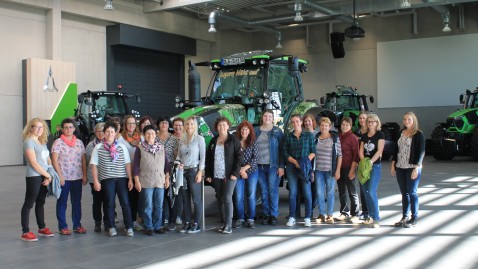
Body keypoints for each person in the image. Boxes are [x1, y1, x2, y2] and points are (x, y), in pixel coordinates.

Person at [90, 121, 134, 237]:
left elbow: (127, 164)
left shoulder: (121, 147)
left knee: (125, 202)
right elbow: (94, 165)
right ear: (104, 133)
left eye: (112, 131)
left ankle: (128, 226)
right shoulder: (98, 148)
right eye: (108, 131)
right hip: (107, 179)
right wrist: (95, 181)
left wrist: (130, 179)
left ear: (116, 133)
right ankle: (111, 226)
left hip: (121, 179)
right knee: (109, 203)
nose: (110, 134)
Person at [206, 117, 242, 234]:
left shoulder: (233, 140)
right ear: (217, 127)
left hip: (230, 175)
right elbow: (209, 159)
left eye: (224, 125)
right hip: (217, 174)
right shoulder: (213, 140)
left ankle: (229, 224)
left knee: (227, 197)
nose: (222, 127)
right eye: (219, 125)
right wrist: (208, 174)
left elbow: (239, 157)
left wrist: (235, 173)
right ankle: (223, 223)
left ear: (228, 126)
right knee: (220, 198)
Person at [20, 118, 55, 241]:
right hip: (34, 176)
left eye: (42, 127)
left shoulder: (42, 142)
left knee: (40, 202)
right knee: (29, 203)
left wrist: (49, 173)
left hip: (44, 175)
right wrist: (47, 175)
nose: (40, 130)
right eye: (37, 127)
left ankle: (42, 228)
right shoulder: (29, 142)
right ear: (31, 128)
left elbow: (48, 159)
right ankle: (25, 232)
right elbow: (34, 163)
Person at [51, 118, 87, 235]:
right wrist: (60, 176)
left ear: (74, 128)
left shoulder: (79, 143)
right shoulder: (58, 143)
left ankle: (77, 225)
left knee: (76, 202)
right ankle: (63, 226)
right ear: (62, 129)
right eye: (66, 127)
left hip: (77, 177)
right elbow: (54, 160)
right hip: (64, 178)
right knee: (62, 202)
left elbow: (83, 160)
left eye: (71, 127)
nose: (68, 129)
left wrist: (85, 175)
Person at [133, 125, 170, 235]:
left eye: (153, 133)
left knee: (159, 205)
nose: (150, 136)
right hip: (146, 181)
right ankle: (149, 227)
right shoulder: (139, 148)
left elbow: (166, 165)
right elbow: (135, 166)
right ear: (144, 135)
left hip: (160, 180)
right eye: (148, 133)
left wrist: (167, 178)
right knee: (147, 206)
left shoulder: (161, 148)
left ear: (156, 135)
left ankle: (157, 226)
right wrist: (136, 181)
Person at [391, 112, 425, 228]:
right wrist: (393, 164)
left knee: (412, 192)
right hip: (400, 166)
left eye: (409, 120)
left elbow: (421, 152)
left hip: (412, 167)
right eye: (405, 119)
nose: (406, 122)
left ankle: (414, 217)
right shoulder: (401, 133)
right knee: (404, 193)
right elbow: (396, 149)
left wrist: (417, 167)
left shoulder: (418, 134)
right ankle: (405, 216)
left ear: (414, 120)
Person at [284, 114, 315, 227]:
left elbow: (313, 151)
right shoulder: (288, 136)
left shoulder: (308, 136)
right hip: (292, 167)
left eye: (297, 121)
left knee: (307, 192)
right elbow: (285, 153)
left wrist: (304, 162)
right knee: (293, 193)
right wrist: (296, 162)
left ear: (301, 122)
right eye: (293, 122)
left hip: (305, 167)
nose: (295, 124)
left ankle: (307, 217)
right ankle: (292, 216)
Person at [254, 110, 284, 226]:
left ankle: (273, 215)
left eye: (269, 116)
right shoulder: (256, 131)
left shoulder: (277, 131)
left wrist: (281, 166)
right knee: (264, 191)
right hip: (259, 166)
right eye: (265, 116)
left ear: (273, 118)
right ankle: (266, 214)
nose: (267, 118)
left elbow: (282, 150)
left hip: (273, 166)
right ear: (262, 117)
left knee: (273, 191)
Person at [176, 117, 206, 233]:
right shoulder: (182, 139)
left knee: (196, 199)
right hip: (183, 172)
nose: (189, 126)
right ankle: (187, 222)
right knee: (185, 199)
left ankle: (196, 224)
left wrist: (200, 171)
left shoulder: (200, 139)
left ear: (195, 125)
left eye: (192, 124)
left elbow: (203, 157)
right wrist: (178, 163)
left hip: (194, 171)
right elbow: (179, 155)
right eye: (187, 124)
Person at [314, 117, 342, 224]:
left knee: (330, 192)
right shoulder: (316, 138)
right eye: (322, 125)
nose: (324, 127)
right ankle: (322, 214)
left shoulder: (334, 139)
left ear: (329, 127)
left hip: (330, 170)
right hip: (318, 170)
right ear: (319, 126)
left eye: (326, 125)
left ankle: (330, 215)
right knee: (320, 193)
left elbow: (340, 155)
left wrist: (338, 170)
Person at [359, 113, 385, 228]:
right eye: (369, 122)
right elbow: (360, 150)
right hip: (364, 166)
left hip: (375, 166)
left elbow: (380, 151)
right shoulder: (364, 135)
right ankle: (369, 216)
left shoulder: (380, 134)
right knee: (365, 192)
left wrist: (370, 162)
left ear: (376, 123)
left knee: (371, 191)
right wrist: (364, 162)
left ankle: (376, 218)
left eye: (373, 122)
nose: (370, 124)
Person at [118, 115, 142, 230]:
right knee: (126, 199)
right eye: (129, 123)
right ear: (125, 125)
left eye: (133, 123)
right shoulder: (120, 139)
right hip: (125, 173)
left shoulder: (140, 138)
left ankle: (134, 221)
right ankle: (128, 222)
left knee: (136, 199)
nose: (131, 125)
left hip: (137, 173)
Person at [233, 120, 258, 229]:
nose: (244, 131)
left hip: (252, 171)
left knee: (251, 196)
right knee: (238, 197)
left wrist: (245, 169)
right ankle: (240, 218)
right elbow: (232, 158)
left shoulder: (253, 142)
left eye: (246, 129)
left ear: (249, 131)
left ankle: (250, 219)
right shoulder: (235, 142)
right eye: (242, 129)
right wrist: (240, 171)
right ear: (239, 131)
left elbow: (255, 158)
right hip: (238, 171)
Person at [156, 116, 178, 229]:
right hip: (157, 170)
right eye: (162, 123)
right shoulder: (154, 137)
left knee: (170, 196)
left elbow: (175, 155)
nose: (164, 125)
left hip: (170, 169)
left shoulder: (173, 139)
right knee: (159, 195)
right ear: (158, 124)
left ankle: (172, 220)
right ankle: (160, 220)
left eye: (166, 123)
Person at [336, 117, 360, 222]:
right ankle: (344, 212)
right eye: (343, 125)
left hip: (349, 167)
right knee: (342, 191)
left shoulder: (353, 138)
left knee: (352, 191)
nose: (344, 126)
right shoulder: (338, 136)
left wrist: (352, 170)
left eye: (347, 125)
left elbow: (356, 155)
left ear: (350, 126)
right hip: (339, 167)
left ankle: (355, 213)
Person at [85, 122, 107, 232]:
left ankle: (107, 221)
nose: (101, 133)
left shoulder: (110, 144)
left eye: (103, 131)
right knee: (97, 200)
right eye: (98, 131)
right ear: (95, 132)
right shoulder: (90, 145)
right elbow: (88, 161)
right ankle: (97, 222)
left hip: (107, 177)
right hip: (94, 178)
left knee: (108, 200)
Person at [169, 117, 185, 227]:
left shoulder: (186, 137)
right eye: (175, 125)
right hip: (172, 169)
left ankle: (180, 215)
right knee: (173, 192)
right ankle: (172, 215)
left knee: (182, 193)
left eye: (180, 125)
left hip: (184, 169)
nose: (177, 127)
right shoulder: (170, 138)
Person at [354, 111, 369, 220]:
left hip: (369, 163)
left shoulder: (372, 132)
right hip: (360, 164)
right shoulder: (356, 132)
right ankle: (365, 211)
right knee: (362, 188)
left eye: (364, 118)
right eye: (360, 118)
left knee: (370, 189)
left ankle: (370, 210)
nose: (362, 120)